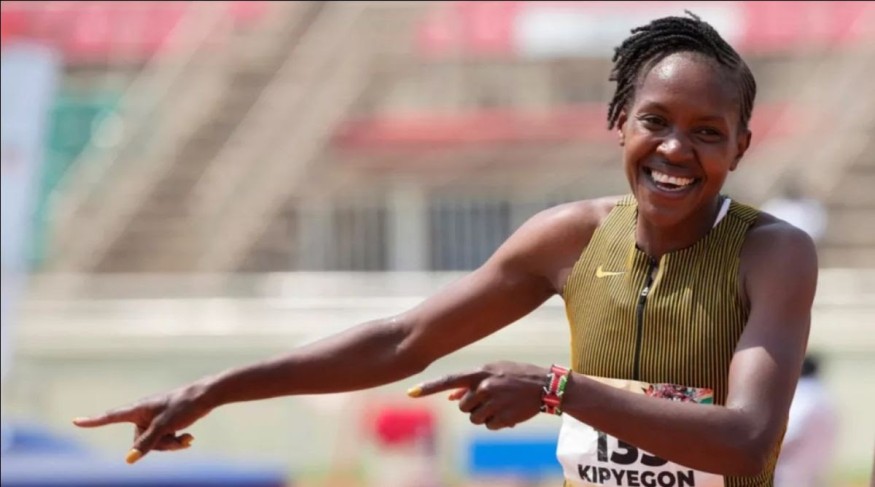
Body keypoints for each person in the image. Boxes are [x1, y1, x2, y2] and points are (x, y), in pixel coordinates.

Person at [73, 12, 817, 487]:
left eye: (707, 132)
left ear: (741, 147)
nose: (676, 149)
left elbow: (746, 442)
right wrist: (215, 388)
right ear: (619, 121)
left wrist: (560, 390)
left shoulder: (770, 253)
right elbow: (402, 340)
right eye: (655, 121)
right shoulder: (571, 237)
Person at [775, 355, 839, 487]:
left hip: (790, 471)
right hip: (815, 469)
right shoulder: (826, 397)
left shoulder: (803, 395)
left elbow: (790, 434)